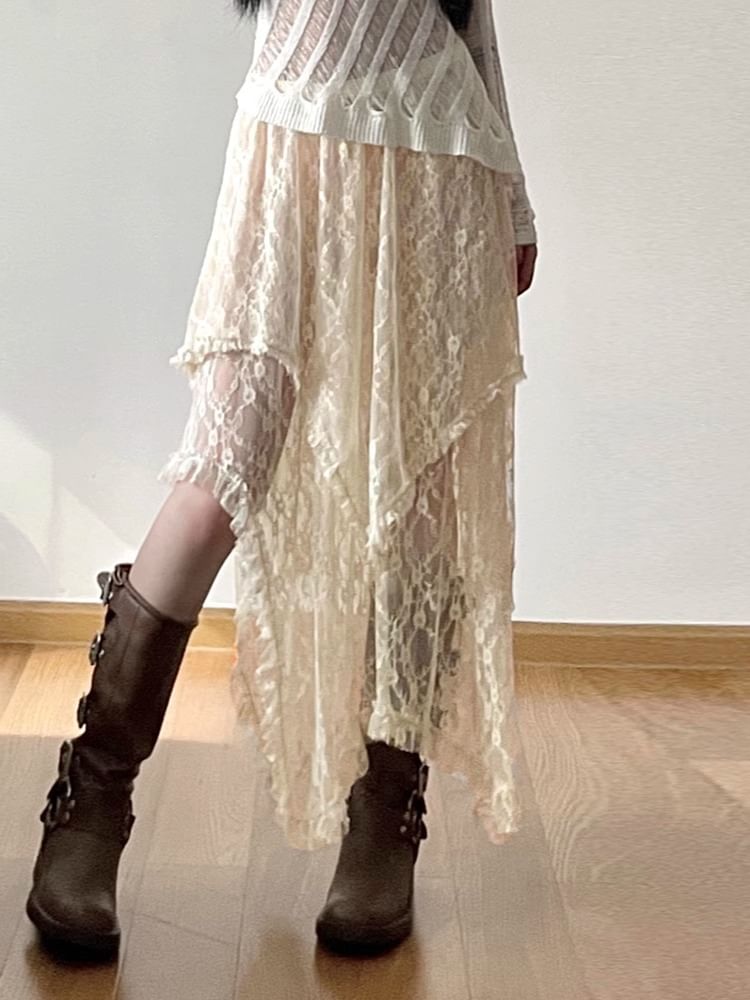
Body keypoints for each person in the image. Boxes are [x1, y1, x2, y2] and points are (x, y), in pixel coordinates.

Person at [26, 0, 538, 959]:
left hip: (441, 164)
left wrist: (512, 198)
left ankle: (385, 817)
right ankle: (91, 801)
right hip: (291, 156)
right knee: (220, 475)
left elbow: (471, 20)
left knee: (418, 503)